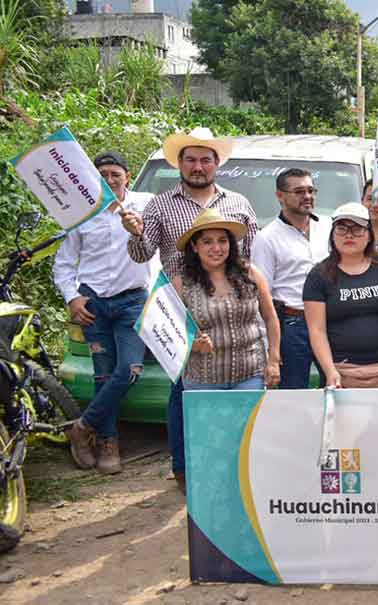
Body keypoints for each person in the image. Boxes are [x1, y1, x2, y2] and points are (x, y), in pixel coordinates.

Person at [119, 127, 259, 492]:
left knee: (233, 400)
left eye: (205, 159)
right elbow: (140, 254)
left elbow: (249, 259)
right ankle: (185, 469)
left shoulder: (239, 204)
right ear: (179, 163)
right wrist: (133, 231)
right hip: (182, 308)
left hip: (231, 306)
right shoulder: (160, 205)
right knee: (184, 395)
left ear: (217, 164)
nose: (198, 166)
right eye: (191, 159)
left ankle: (238, 472)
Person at [56, 151, 152, 475]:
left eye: (115, 173)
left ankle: (82, 427)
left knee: (129, 369)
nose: (110, 180)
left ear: (128, 175)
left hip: (133, 301)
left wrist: (138, 230)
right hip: (93, 304)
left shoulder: (145, 204)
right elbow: (64, 264)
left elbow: (159, 248)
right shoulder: (81, 214)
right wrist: (72, 298)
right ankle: (108, 442)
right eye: (103, 175)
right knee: (102, 374)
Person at [174, 208, 281, 395]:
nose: (216, 248)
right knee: (208, 426)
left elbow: (271, 318)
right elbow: (168, 330)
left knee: (247, 425)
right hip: (202, 380)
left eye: (222, 241)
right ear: (194, 246)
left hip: (250, 376)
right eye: (207, 242)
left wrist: (273, 360)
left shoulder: (250, 273)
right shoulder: (182, 283)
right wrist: (192, 344)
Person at [305, 203, 378, 388]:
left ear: (369, 234)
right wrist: (330, 371)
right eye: (342, 228)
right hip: (341, 373)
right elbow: (317, 330)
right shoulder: (318, 275)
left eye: (357, 229)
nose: (349, 235)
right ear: (332, 235)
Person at [251, 168, 331, 389]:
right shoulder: (266, 238)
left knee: (336, 386)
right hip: (293, 324)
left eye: (310, 190)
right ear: (280, 195)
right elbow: (261, 294)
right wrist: (271, 351)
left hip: (329, 319)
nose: (307, 196)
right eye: (298, 191)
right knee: (295, 392)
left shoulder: (329, 227)